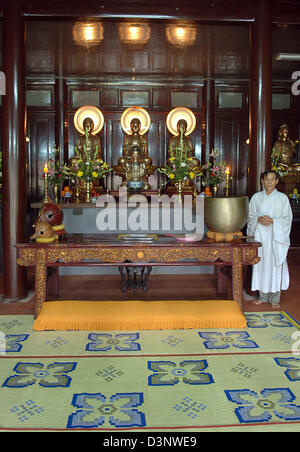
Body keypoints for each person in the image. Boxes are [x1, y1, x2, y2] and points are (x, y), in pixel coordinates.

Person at [247, 170, 293, 308]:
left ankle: (275, 298)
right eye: (267, 179)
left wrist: (273, 221)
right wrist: (258, 219)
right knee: (261, 264)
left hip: (276, 237)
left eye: (273, 179)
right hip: (260, 235)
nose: (269, 182)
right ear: (262, 180)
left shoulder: (282, 198)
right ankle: (262, 295)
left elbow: (287, 219)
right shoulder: (256, 197)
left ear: (277, 181)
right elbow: (250, 216)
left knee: (275, 265)